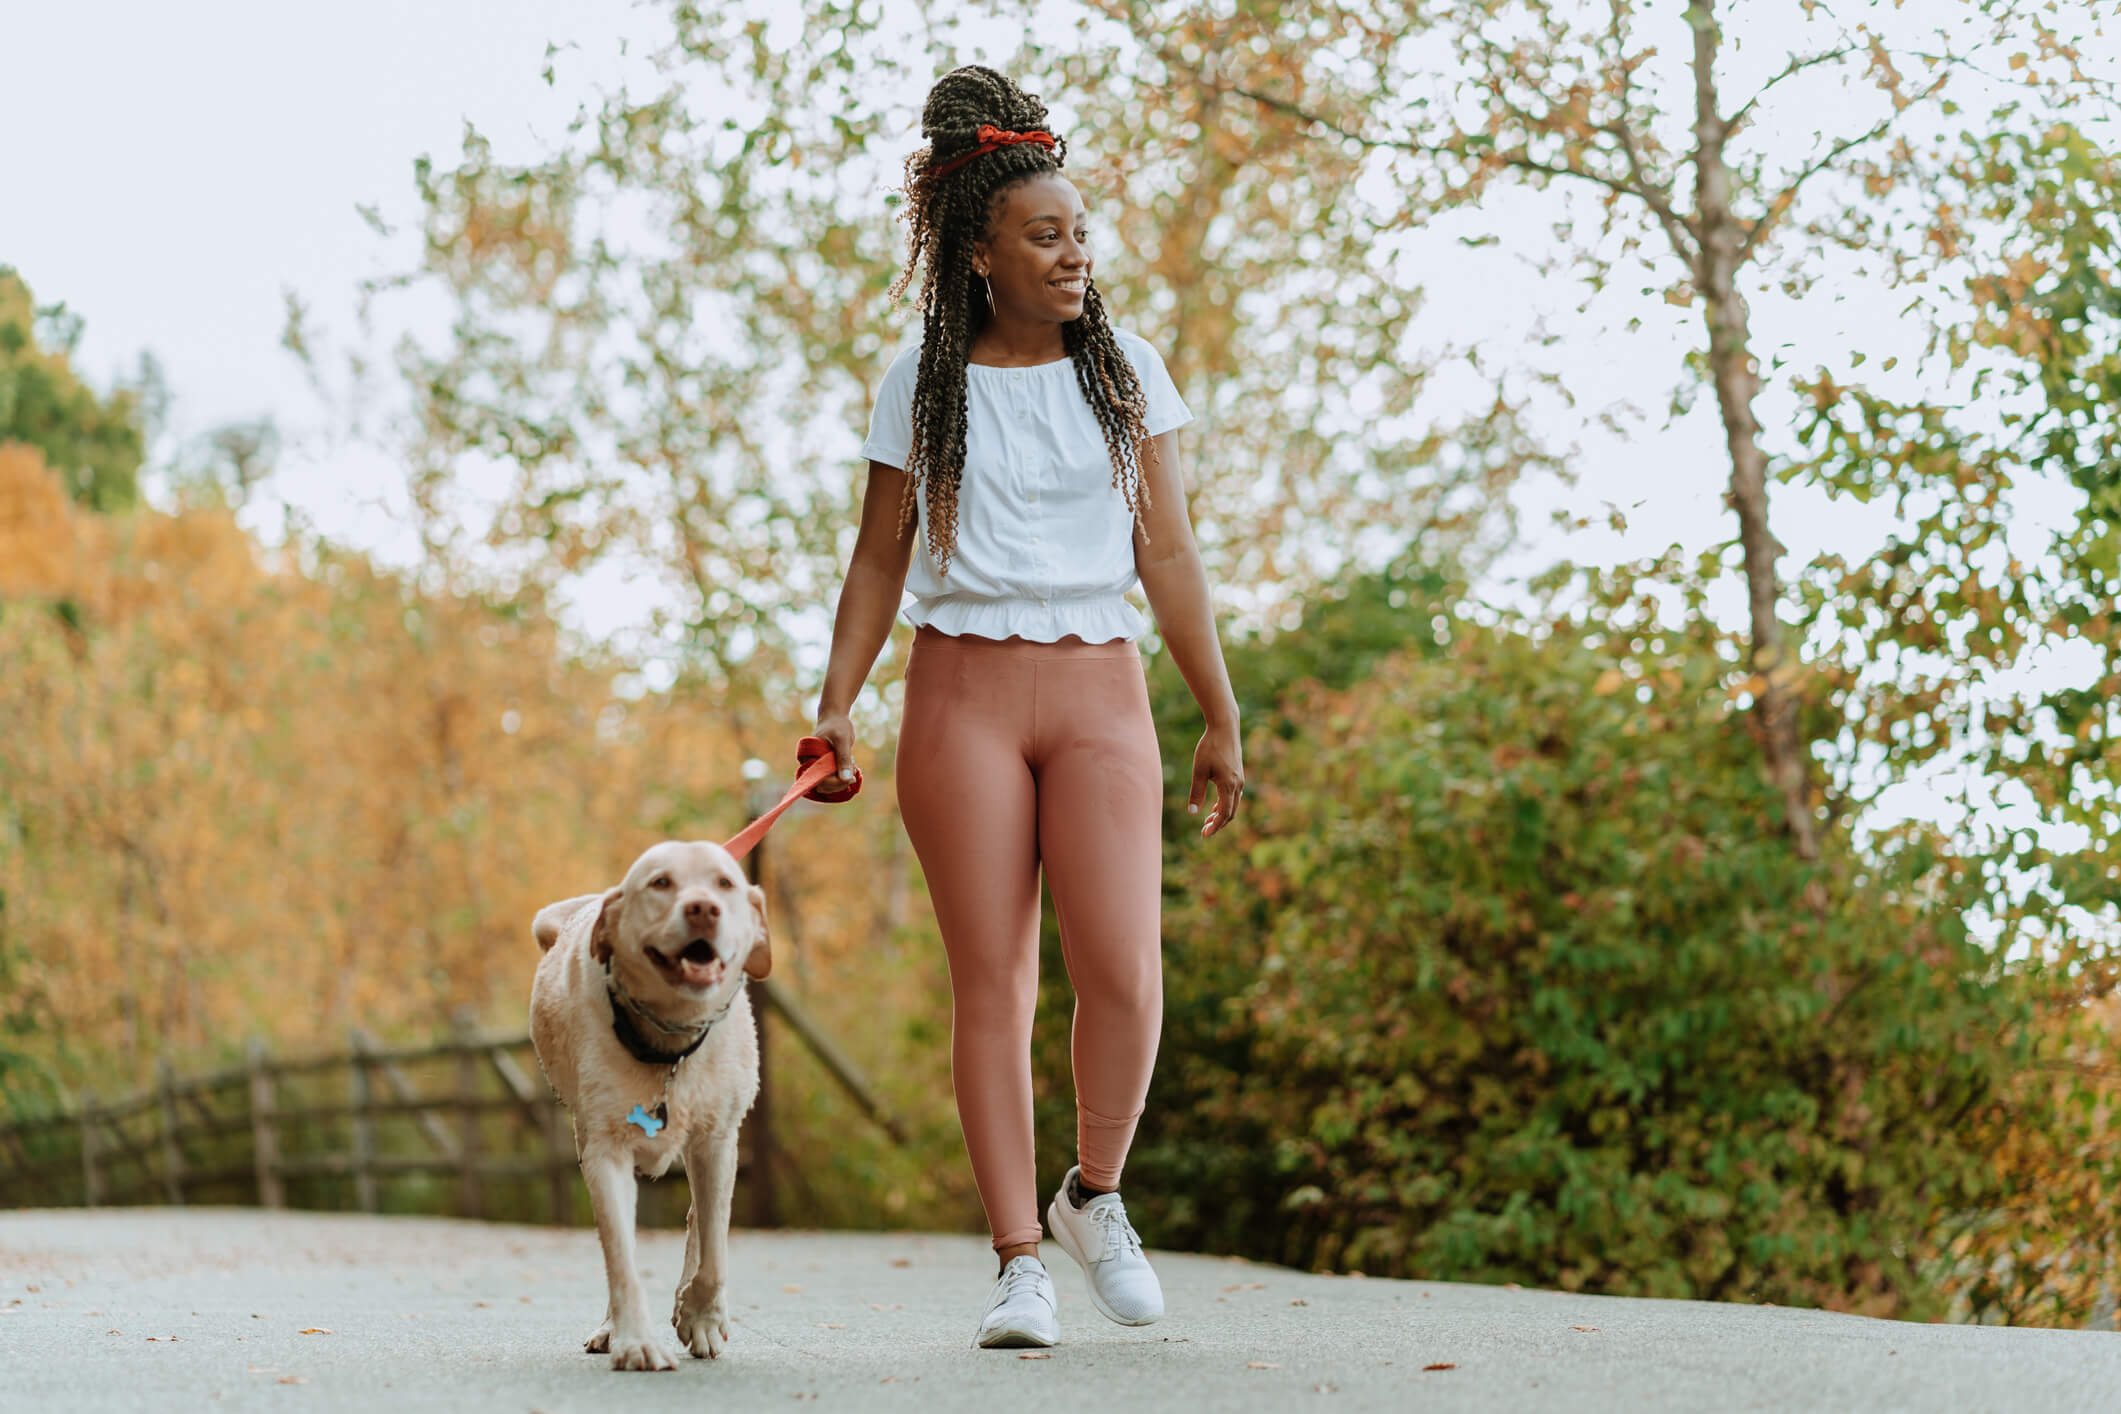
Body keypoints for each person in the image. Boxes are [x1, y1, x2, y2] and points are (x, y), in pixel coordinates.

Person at [812, 64, 1244, 1350]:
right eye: (1044, 237)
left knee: (1121, 968)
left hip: (1102, 687)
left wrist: (1220, 710)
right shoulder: (919, 383)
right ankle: (1016, 1260)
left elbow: (1168, 555)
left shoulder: (1128, 374)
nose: (1073, 255)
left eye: (1079, 234)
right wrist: (835, 701)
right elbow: (879, 563)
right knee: (993, 981)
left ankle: (1092, 1193)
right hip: (961, 697)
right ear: (982, 255)